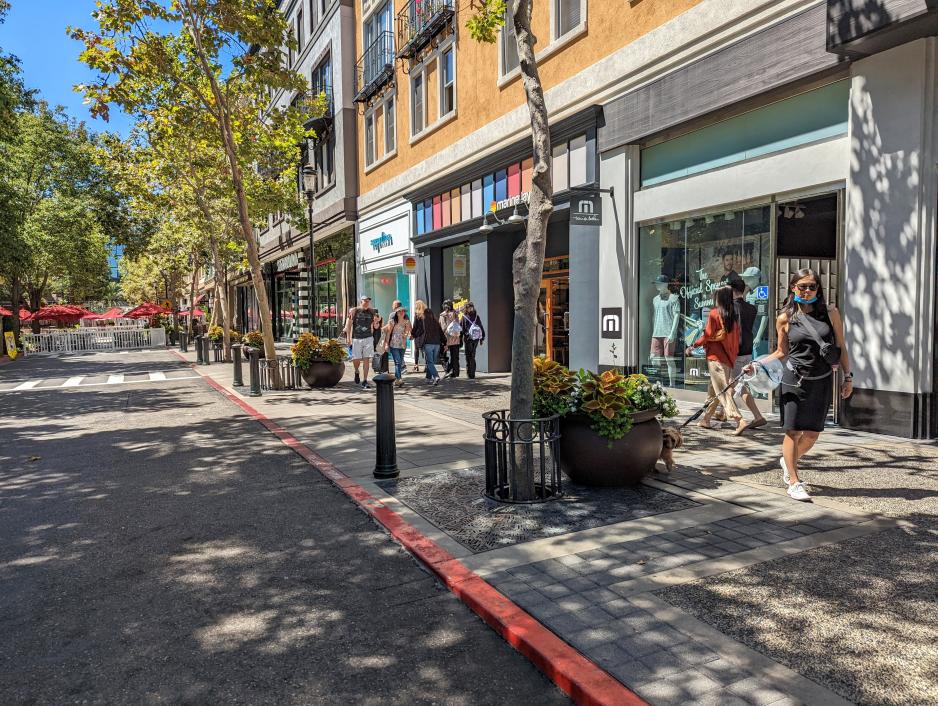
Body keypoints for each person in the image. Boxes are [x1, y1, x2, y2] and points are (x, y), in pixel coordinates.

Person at [744, 269, 852, 501]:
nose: (807, 291)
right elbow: (781, 352)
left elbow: (841, 346)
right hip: (793, 380)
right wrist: (756, 364)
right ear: (792, 288)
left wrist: (848, 376)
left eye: (812, 286)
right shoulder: (785, 318)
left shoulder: (830, 313)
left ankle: (788, 460)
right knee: (793, 431)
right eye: (802, 286)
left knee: (812, 435)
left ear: (818, 289)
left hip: (821, 381)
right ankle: (793, 481)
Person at [686, 285, 747, 436]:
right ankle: (706, 419)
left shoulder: (714, 313)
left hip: (715, 357)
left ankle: (739, 419)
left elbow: (706, 335)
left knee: (721, 391)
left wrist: (693, 346)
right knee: (713, 391)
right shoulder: (733, 316)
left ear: (719, 298)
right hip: (727, 358)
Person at [730, 277, 767, 428]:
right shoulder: (751, 308)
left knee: (732, 384)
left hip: (735, 350)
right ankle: (721, 412)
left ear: (732, 290)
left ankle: (754, 416)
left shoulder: (731, 308)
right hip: (747, 348)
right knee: (736, 383)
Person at [343, 295, 378, 390]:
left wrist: (376, 323)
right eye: (365, 301)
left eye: (368, 301)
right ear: (360, 301)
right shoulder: (354, 311)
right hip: (356, 338)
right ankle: (356, 371)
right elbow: (349, 325)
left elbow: (375, 327)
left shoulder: (372, 312)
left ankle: (365, 380)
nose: (366, 302)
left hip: (368, 338)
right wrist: (348, 339)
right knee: (356, 359)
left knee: (366, 359)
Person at [384, 306, 412, 387]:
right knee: (397, 361)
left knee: (400, 361)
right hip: (394, 344)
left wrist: (406, 334)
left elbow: (409, 330)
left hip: (402, 344)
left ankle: (397, 380)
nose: (402, 313)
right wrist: (386, 344)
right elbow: (388, 333)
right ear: (396, 313)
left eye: (403, 311)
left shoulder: (406, 321)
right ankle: (399, 379)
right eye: (400, 311)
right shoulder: (392, 321)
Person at [460, 301, 485, 379]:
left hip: (468, 339)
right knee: (473, 355)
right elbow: (481, 327)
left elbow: (461, 329)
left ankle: (469, 374)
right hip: (476, 339)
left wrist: (460, 339)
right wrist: (482, 338)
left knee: (468, 356)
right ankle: (472, 374)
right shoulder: (477, 316)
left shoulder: (464, 317)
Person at [421, 307, 444, 385]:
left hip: (428, 344)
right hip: (437, 344)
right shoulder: (436, 322)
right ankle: (428, 378)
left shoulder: (424, 321)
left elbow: (422, 333)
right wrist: (445, 342)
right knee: (430, 362)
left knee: (430, 362)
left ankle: (436, 376)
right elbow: (441, 333)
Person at [440, 300, 461, 378]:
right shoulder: (455, 313)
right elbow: (458, 324)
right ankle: (456, 372)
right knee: (455, 356)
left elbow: (443, 328)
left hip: (447, 339)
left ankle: (448, 370)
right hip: (456, 337)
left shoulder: (442, 315)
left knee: (442, 356)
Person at [411, 300, 426, 372]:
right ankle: (427, 365)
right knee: (426, 350)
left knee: (416, 350)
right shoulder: (426, 314)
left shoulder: (417, 315)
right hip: (425, 335)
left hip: (418, 335)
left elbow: (415, 326)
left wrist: (412, 335)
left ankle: (416, 365)